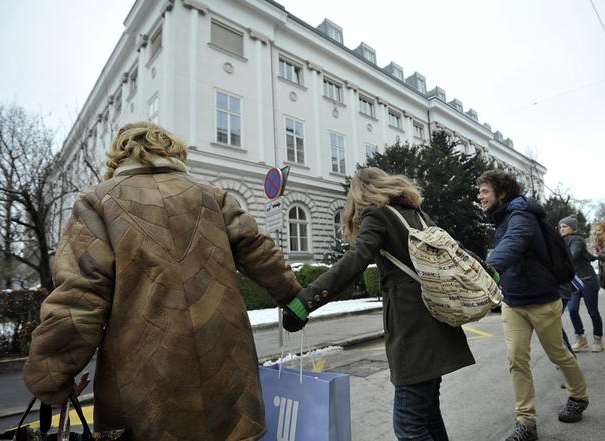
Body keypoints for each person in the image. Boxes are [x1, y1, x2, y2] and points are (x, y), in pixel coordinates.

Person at [23, 122, 302, 441]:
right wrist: (294, 299)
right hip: (228, 378)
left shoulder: (97, 202)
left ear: (118, 155)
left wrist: (50, 376)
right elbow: (260, 251)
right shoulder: (212, 195)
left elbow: (79, 298)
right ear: (172, 150)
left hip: (144, 389)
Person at [282, 167, 475, 441]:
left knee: (408, 425)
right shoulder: (417, 213)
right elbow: (454, 249)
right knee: (428, 414)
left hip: (413, 330)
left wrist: (305, 302)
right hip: (437, 317)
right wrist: (486, 271)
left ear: (358, 194)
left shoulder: (377, 214)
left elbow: (355, 261)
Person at [477, 170, 589, 441]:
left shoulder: (521, 215)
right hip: (513, 301)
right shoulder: (502, 217)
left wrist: (490, 267)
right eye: (479, 191)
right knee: (517, 359)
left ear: (501, 193)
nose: (479, 196)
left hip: (541, 300)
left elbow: (514, 243)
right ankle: (526, 423)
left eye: (484, 191)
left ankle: (579, 396)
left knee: (558, 354)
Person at [558, 215, 603, 353]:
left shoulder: (576, 239)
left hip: (587, 279)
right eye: (560, 227)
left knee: (592, 311)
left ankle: (597, 339)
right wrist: (593, 257)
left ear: (573, 228)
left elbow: (573, 254)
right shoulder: (563, 241)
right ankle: (581, 338)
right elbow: (586, 256)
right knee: (572, 310)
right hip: (574, 282)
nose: (561, 229)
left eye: (565, 226)